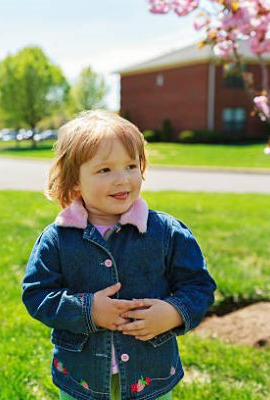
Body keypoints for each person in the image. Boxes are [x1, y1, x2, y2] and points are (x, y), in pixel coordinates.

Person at [21, 110, 216, 400]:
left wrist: (173, 313)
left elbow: (199, 287)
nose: (122, 179)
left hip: (150, 374)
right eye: (105, 170)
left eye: (130, 166)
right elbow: (37, 295)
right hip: (81, 376)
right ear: (75, 181)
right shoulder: (58, 238)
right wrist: (87, 310)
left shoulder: (165, 232)